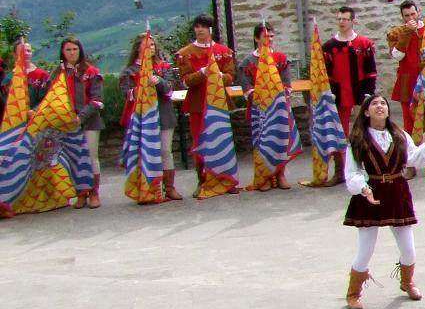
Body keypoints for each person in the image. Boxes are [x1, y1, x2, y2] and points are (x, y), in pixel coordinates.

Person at [340, 93, 425, 309]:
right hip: (371, 193)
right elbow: (352, 172)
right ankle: (353, 292)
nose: (379, 106)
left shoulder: (399, 134)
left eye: (383, 103)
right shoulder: (358, 139)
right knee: (365, 249)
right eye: (374, 104)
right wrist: (363, 188)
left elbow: (414, 157)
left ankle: (407, 282)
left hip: (397, 191)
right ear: (366, 112)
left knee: (409, 249)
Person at [36, 38, 104, 208]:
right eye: (68, 49)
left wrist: (81, 117)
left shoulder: (91, 71)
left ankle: (94, 193)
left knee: (91, 156)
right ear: (63, 52)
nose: (72, 52)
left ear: (80, 50)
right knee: (73, 159)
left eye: (75, 49)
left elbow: (97, 99)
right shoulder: (57, 73)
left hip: (89, 121)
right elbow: (49, 97)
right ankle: (80, 194)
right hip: (65, 123)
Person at [386, 0, 425, 175]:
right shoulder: (397, 33)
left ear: (418, 12)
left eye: (413, 14)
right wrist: (407, 32)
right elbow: (397, 56)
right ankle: (411, 164)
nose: (411, 17)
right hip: (407, 84)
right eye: (407, 15)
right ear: (402, 17)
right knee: (409, 125)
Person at [119, 32, 181, 202]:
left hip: (163, 115)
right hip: (141, 118)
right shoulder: (129, 71)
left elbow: (170, 89)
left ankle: (169, 188)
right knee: (144, 153)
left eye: (152, 45)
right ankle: (147, 189)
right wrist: (142, 87)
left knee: (165, 151)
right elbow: (127, 94)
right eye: (146, 45)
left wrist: (159, 81)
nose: (150, 48)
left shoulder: (164, 67)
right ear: (138, 48)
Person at [174, 14, 235, 188]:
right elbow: (185, 81)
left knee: (222, 139)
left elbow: (230, 77)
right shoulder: (186, 54)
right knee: (199, 142)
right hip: (197, 104)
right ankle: (202, 181)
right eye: (197, 26)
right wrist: (202, 73)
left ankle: (225, 179)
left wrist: (218, 75)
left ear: (210, 29)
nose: (199, 29)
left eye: (203, 26)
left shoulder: (224, 52)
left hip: (219, 103)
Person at [320, 7, 377, 184]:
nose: (342, 22)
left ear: (353, 20)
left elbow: (370, 70)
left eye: (345, 18)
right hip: (338, 93)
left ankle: (369, 167)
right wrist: (329, 92)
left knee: (365, 129)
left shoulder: (364, 44)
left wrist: (369, 92)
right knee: (339, 133)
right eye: (339, 19)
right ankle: (340, 172)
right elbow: (326, 73)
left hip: (360, 90)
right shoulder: (329, 46)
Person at [237, 23, 296, 191]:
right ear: (257, 38)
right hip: (258, 109)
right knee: (261, 141)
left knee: (280, 140)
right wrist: (259, 94)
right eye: (265, 36)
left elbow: (286, 83)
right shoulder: (248, 62)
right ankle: (265, 177)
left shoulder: (280, 58)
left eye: (271, 36)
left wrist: (276, 93)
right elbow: (246, 86)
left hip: (278, 108)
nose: (268, 39)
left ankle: (280, 174)